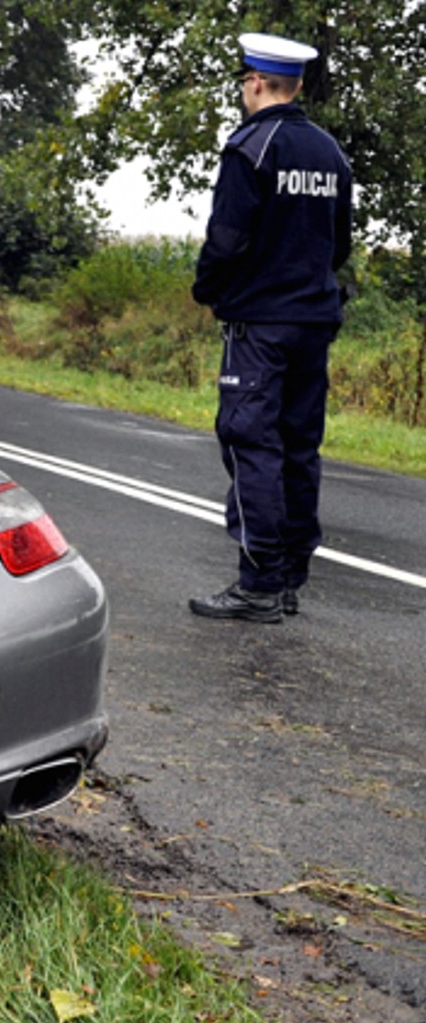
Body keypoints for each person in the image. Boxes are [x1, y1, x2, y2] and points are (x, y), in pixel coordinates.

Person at [189, 32, 353, 624]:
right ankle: (288, 579)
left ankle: (257, 582)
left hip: (260, 325)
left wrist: (208, 290)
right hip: (314, 320)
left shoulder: (251, 149)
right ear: (298, 85)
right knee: (298, 448)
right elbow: (341, 243)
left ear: (255, 83)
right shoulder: (330, 153)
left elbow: (227, 240)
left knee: (251, 442)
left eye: (244, 81)